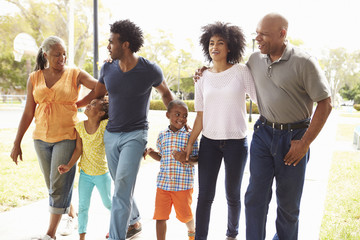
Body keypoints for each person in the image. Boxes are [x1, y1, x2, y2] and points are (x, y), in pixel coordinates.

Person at [244, 13, 332, 240]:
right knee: (255, 197)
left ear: (282, 34)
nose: (258, 38)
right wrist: (205, 72)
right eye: (257, 32)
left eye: (263, 33)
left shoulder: (304, 62)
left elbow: (326, 103)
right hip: (263, 134)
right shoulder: (254, 60)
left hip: (294, 138)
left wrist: (305, 143)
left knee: (288, 205)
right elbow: (231, 74)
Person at [87, 19, 174, 240]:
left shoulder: (149, 69)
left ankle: (117, 236)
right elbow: (97, 94)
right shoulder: (107, 67)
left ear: (125, 44)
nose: (108, 45)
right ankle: (134, 220)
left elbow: (165, 93)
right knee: (121, 186)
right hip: (111, 135)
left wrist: (175, 117)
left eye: (111, 41)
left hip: (135, 136)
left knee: (122, 189)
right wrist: (76, 105)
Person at [10, 36, 98, 240]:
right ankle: (71, 215)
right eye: (57, 54)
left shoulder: (75, 74)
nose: (62, 57)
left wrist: (78, 103)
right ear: (46, 54)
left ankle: (50, 234)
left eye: (64, 53)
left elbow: (100, 87)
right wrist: (17, 143)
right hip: (40, 138)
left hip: (67, 136)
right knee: (53, 183)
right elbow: (27, 112)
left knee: (58, 184)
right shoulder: (34, 78)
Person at [185, 22, 257, 240]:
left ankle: (231, 234)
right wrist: (190, 142)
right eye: (211, 43)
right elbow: (200, 114)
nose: (214, 47)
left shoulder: (241, 71)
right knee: (204, 195)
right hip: (209, 143)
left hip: (236, 142)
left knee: (233, 195)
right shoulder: (201, 78)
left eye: (220, 43)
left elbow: (258, 100)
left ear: (230, 47)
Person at [57, 97, 111, 240]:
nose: (89, 105)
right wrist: (69, 166)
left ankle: (120, 225)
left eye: (93, 105)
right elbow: (78, 149)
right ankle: (82, 237)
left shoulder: (105, 125)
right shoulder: (80, 126)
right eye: (90, 103)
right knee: (83, 207)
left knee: (109, 203)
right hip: (85, 174)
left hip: (102, 174)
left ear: (101, 113)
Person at [144, 100, 199, 240]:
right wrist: (151, 153)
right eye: (177, 114)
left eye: (185, 115)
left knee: (185, 216)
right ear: (168, 115)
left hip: (182, 185)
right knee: (160, 217)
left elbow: (198, 159)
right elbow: (162, 157)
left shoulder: (190, 136)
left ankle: (192, 230)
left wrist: (185, 158)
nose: (181, 118)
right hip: (163, 184)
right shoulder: (162, 135)